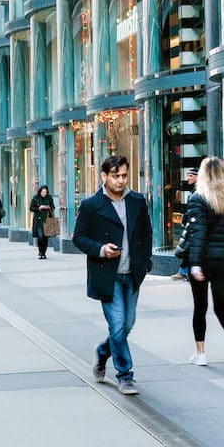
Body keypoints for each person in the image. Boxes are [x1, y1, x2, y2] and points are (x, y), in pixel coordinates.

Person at [74, 155, 153, 395]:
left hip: (132, 273)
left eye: (124, 176)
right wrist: (101, 249)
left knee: (127, 325)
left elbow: (146, 234)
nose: (121, 181)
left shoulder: (137, 201)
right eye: (116, 176)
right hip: (107, 275)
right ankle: (125, 375)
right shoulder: (90, 205)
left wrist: (145, 262)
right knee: (117, 326)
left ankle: (101, 352)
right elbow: (79, 237)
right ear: (104, 176)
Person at [184, 157, 224, 371]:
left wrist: (195, 264)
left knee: (200, 307)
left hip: (204, 260)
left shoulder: (198, 199)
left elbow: (198, 234)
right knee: (223, 308)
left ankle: (200, 353)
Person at [172, 166, 199, 280]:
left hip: (195, 225)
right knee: (189, 248)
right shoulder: (193, 191)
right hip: (192, 225)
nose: (188, 178)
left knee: (190, 248)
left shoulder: (199, 192)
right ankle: (184, 271)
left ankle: (184, 271)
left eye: (191, 176)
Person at [29, 185, 56, 259]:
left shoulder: (49, 198)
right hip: (38, 221)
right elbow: (31, 208)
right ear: (40, 191)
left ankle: (43, 253)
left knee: (45, 237)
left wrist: (48, 207)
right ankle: (40, 252)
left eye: (46, 192)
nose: (44, 193)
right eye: (43, 192)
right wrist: (39, 208)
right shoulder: (35, 198)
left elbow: (53, 207)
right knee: (40, 236)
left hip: (47, 220)